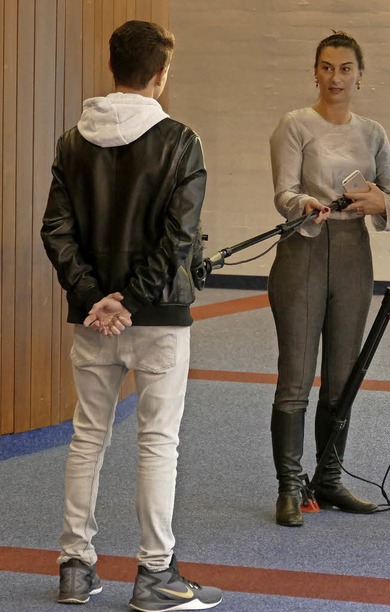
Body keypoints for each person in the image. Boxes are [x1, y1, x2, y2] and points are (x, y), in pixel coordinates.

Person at [41, 20, 222, 609]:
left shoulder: (73, 141)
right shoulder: (181, 140)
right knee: (157, 443)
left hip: (93, 319)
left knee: (87, 437)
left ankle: (75, 567)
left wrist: (97, 297)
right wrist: (132, 301)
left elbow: (57, 231)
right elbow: (178, 239)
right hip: (159, 317)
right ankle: (155, 575)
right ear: (161, 74)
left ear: (111, 64)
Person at [268, 31, 390, 527]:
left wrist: (379, 203)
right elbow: (284, 192)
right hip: (303, 250)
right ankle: (289, 486)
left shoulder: (373, 133)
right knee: (297, 377)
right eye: (327, 67)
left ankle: (327, 481)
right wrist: (303, 203)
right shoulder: (294, 125)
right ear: (315, 71)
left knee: (342, 379)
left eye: (345, 68)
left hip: (353, 254)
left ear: (360, 75)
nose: (335, 78)